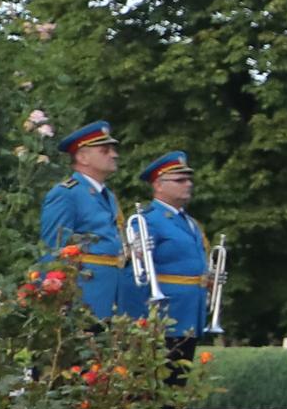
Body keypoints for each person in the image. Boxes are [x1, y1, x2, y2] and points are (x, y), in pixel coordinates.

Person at [40, 120, 138, 319]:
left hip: (113, 295)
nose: (114, 154)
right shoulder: (66, 193)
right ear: (83, 156)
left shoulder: (108, 196)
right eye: (105, 150)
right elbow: (53, 249)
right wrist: (54, 298)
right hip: (84, 297)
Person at [133, 151, 216, 365]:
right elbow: (138, 271)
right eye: (180, 180)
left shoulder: (190, 223)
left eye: (189, 179)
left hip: (190, 312)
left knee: (177, 387)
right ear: (158, 185)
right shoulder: (148, 220)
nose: (188, 184)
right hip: (165, 315)